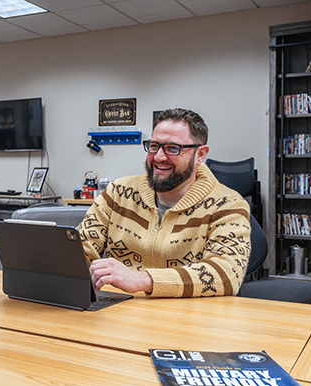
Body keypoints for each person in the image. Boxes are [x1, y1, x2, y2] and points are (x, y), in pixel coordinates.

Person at [79, 108, 251, 297]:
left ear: (200, 154)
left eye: (172, 148)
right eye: (154, 146)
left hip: (189, 317)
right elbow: (81, 248)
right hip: (120, 311)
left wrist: (143, 280)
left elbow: (226, 274)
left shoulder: (228, 204)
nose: (159, 157)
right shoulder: (117, 192)